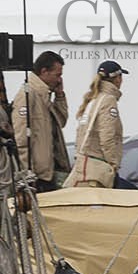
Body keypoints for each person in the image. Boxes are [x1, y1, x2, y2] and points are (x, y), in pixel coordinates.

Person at [10, 50, 70, 191]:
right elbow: (21, 138)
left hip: (49, 173)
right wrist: (26, 175)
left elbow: (61, 122)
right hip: (36, 177)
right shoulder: (28, 95)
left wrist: (60, 96)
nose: (59, 79)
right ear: (44, 71)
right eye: (57, 75)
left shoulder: (44, 96)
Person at [69, 60, 127, 188]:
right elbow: (107, 137)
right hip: (96, 170)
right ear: (117, 78)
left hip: (84, 165)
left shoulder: (93, 99)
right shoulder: (108, 100)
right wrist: (113, 164)